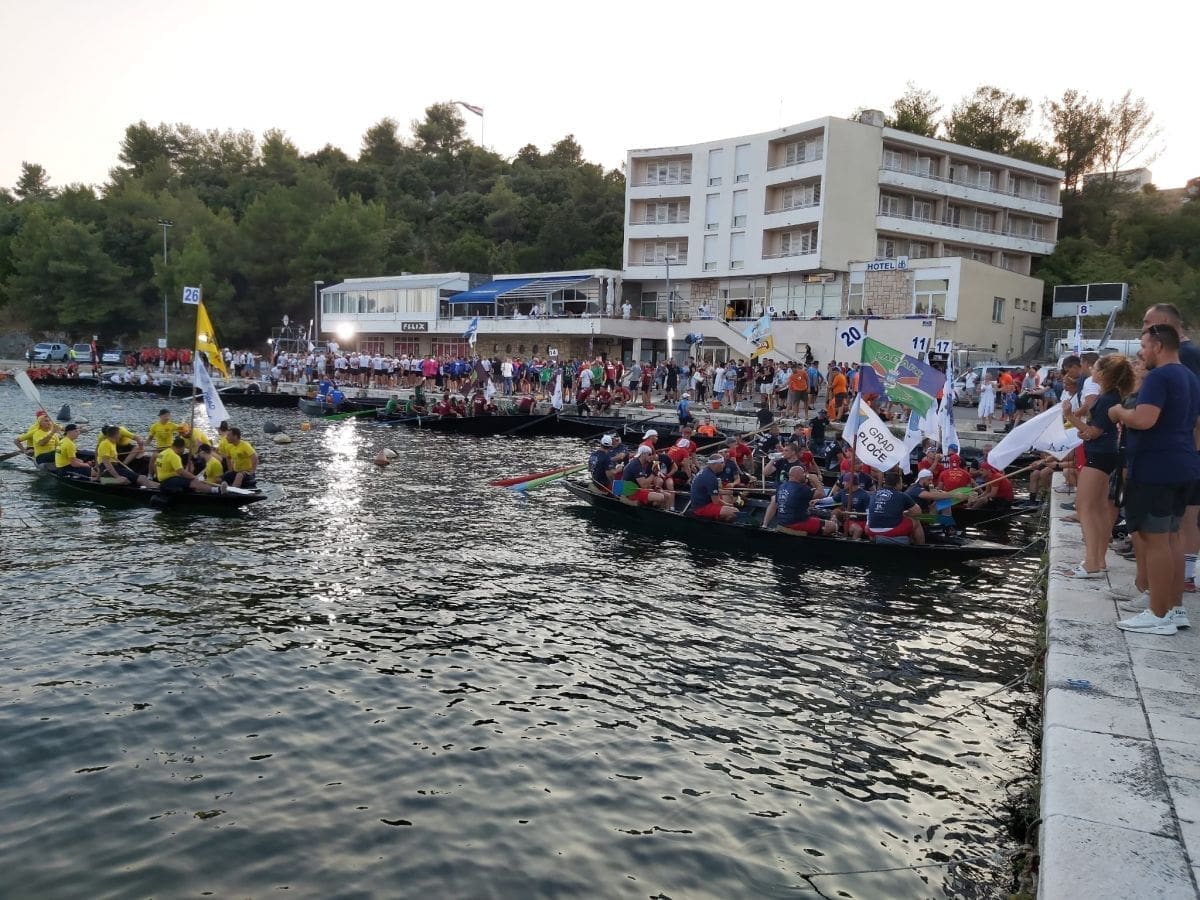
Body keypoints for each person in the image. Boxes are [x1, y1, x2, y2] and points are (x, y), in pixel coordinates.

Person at [1109, 324, 1200, 635]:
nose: (1141, 353)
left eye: (1144, 347)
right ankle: (1174, 608)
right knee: (1172, 538)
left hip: (1155, 469)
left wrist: (1120, 412)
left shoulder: (1160, 377)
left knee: (1155, 540)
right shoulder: (1189, 376)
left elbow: (1145, 419)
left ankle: (1158, 614)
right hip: (1183, 464)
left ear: (1159, 346)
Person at [1062, 354, 1134, 578]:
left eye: (1095, 367)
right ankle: (1099, 559)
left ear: (1102, 374)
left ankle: (1091, 561)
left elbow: (1092, 433)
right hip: (1108, 455)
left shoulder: (1105, 400)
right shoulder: (1112, 397)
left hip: (1099, 457)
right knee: (1101, 509)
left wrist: (1068, 416)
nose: (1091, 369)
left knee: (1085, 508)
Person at [768, 466, 836, 535]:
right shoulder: (800, 488)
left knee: (815, 518)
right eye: (803, 474)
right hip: (797, 523)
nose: (805, 476)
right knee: (832, 526)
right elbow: (821, 494)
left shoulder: (781, 486)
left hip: (782, 521)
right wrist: (816, 481)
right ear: (799, 475)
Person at [865, 469, 925, 544]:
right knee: (916, 521)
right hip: (890, 531)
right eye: (901, 482)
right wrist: (905, 513)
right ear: (897, 484)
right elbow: (918, 512)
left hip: (870, 529)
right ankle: (921, 548)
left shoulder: (874, 494)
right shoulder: (902, 495)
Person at [156, 435, 222, 494]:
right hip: (169, 481)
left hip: (162, 480)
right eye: (183, 449)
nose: (183, 451)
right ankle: (216, 490)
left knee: (189, 481)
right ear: (181, 447)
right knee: (193, 482)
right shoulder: (174, 456)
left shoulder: (164, 452)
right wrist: (194, 477)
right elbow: (181, 472)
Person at [688, 454, 738, 521]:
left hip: (699, 503)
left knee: (726, 498)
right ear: (715, 464)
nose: (724, 465)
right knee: (735, 512)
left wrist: (728, 492)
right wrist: (729, 505)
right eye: (722, 463)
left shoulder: (705, 471)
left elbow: (712, 490)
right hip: (702, 508)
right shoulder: (711, 478)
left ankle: (720, 516)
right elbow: (716, 502)